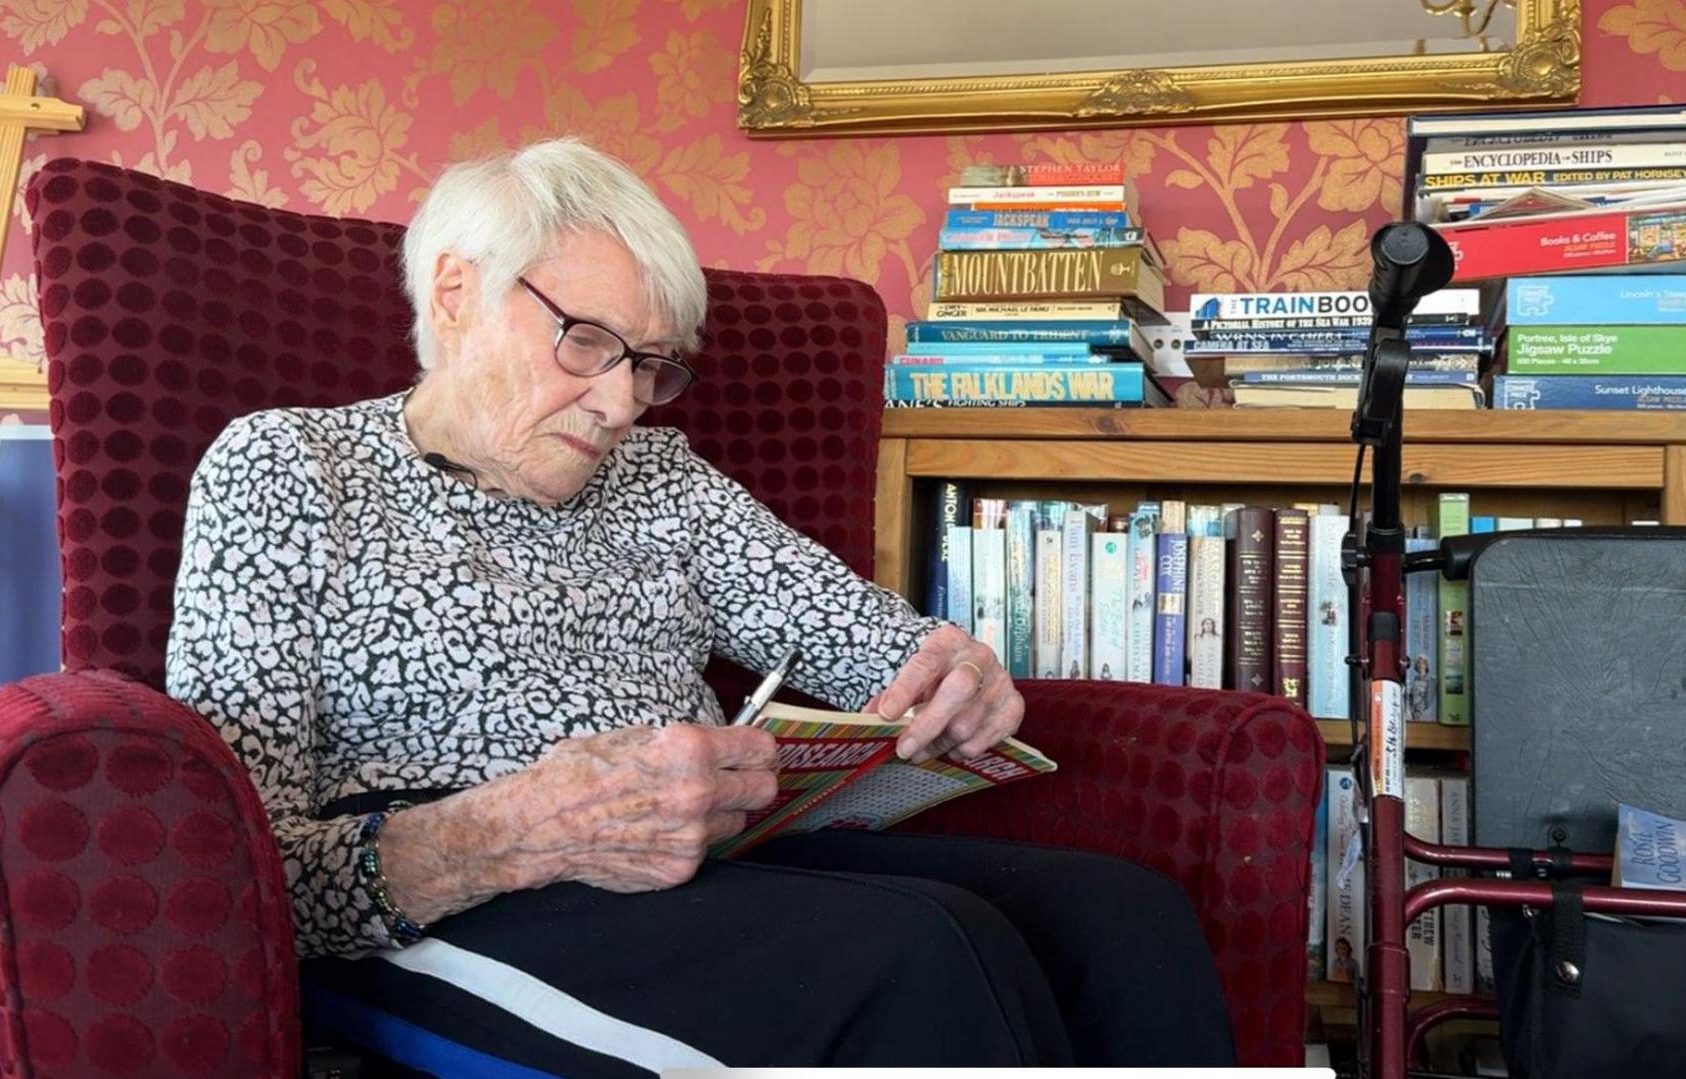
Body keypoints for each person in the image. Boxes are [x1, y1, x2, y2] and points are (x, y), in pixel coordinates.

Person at [165, 137, 1236, 1074]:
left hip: (696, 861)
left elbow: (872, 645)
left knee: (1118, 916)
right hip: (440, 895)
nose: (623, 400)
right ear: (454, 294)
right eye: (588, 342)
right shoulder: (291, 468)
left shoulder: (663, 480)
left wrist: (957, 669)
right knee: (917, 953)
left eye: (650, 366)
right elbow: (225, 866)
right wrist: (520, 828)